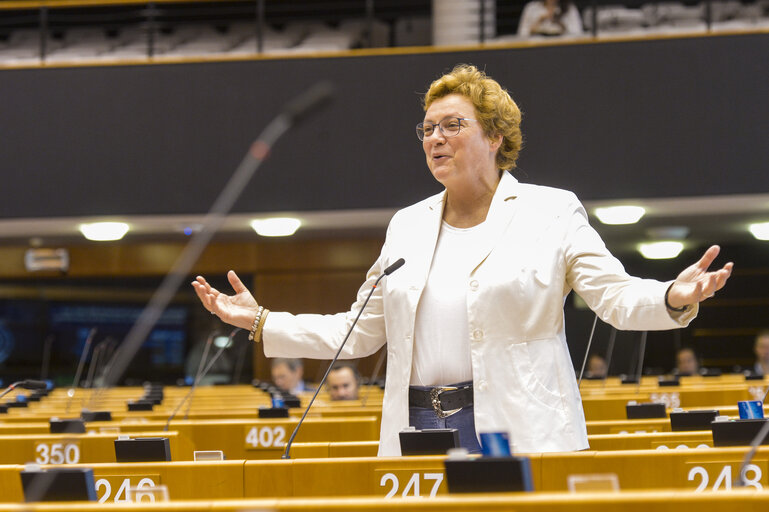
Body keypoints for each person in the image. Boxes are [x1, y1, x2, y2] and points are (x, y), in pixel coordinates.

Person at [193, 64, 733, 456]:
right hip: (419, 423)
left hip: (517, 423)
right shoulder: (406, 223)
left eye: (452, 125)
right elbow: (358, 332)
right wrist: (263, 322)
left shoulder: (551, 210)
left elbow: (614, 297)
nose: (435, 138)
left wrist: (670, 297)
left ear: (495, 136)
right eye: (427, 128)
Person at [517, 0, 583, 38]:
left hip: (563, 49)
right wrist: (538, 23)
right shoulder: (531, 8)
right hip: (536, 49)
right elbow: (521, 34)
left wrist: (561, 25)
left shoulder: (570, 9)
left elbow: (578, 34)